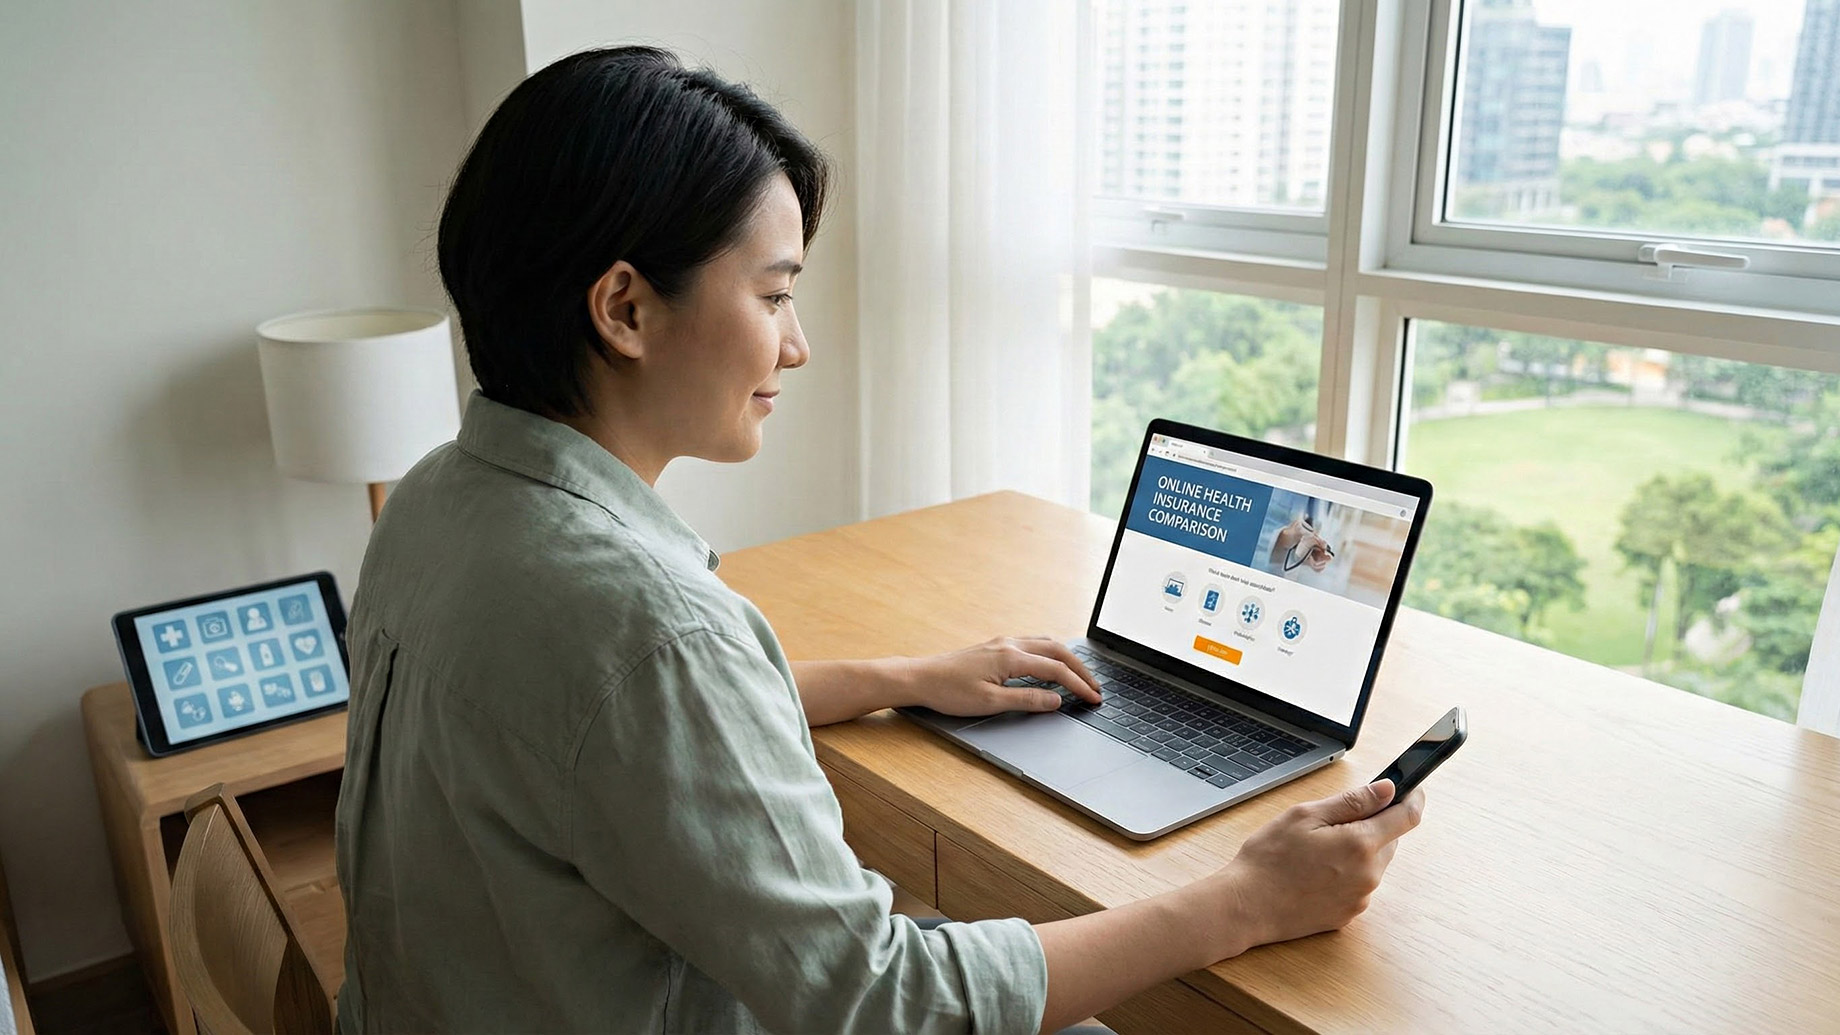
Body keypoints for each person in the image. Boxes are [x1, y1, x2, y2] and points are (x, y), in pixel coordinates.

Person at [333, 46, 1427, 1035]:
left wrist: (901, 676)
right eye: (773, 294)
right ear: (624, 310)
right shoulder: (644, 631)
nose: (795, 347)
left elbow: (605, 727)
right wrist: (1242, 901)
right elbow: (881, 1001)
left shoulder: (438, 500)